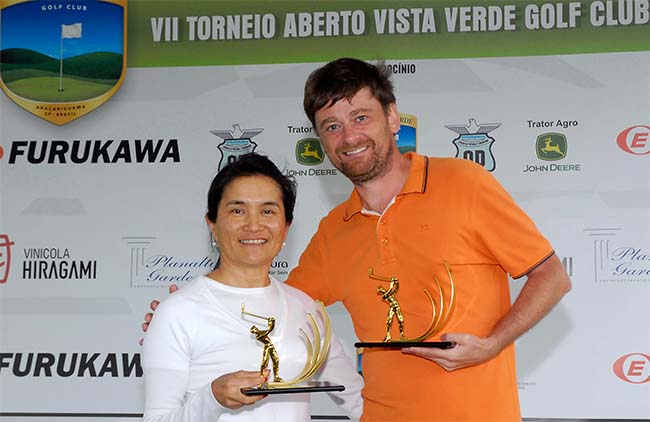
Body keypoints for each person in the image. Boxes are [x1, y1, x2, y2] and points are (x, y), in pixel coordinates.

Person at [144, 58, 571, 421]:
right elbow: (275, 303)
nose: (348, 137)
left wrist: (493, 344)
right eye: (331, 126)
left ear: (392, 117)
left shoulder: (464, 183)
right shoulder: (334, 229)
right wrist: (182, 314)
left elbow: (552, 276)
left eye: (360, 117)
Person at [142, 153, 363, 422]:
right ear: (212, 224)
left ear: (286, 228)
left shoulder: (305, 308)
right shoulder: (176, 312)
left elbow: (360, 403)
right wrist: (211, 398)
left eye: (268, 211)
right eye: (238, 210)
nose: (254, 225)